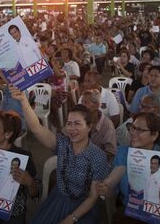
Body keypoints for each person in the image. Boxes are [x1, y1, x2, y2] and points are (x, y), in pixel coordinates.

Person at [10, 87, 111, 224]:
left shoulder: (98, 156)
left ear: (89, 126)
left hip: (83, 208)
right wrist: (23, 101)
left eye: (77, 124)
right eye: (69, 123)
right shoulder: (63, 144)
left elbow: (93, 197)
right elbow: (36, 128)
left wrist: (71, 218)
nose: (72, 129)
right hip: (57, 202)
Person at [97, 112, 160, 224]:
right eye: (132, 127)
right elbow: (114, 189)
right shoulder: (122, 153)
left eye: (140, 130)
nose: (133, 133)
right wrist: (106, 188)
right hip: (127, 214)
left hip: (156, 218)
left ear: (154, 135)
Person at [79, 89, 117, 160]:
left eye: (86, 103)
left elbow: (111, 152)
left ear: (96, 105)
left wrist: (92, 159)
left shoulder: (107, 125)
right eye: (82, 103)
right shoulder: (78, 120)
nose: (82, 106)